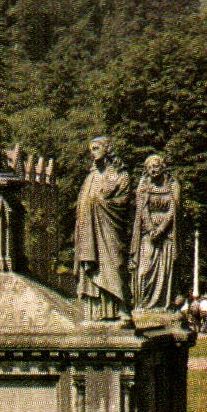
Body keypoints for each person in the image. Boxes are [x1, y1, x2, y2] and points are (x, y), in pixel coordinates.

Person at [75, 137, 133, 324]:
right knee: (95, 269)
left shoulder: (120, 175)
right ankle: (96, 311)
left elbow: (123, 201)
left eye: (96, 148)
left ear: (107, 149)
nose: (93, 152)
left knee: (115, 265)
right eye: (91, 149)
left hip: (110, 229)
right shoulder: (90, 178)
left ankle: (122, 308)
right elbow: (82, 204)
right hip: (90, 231)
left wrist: (98, 203)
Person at [130, 154, 180, 311]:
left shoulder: (173, 185)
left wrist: (161, 228)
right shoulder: (143, 186)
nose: (153, 170)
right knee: (144, 271)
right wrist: (151, 228)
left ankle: (162, 306)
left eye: (156, 166)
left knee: (165, 272)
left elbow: (173, 209)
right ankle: (143, 304)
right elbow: (142, 209)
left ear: (162, 167)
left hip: (166, 235)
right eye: (150, 167)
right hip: (148, 234)